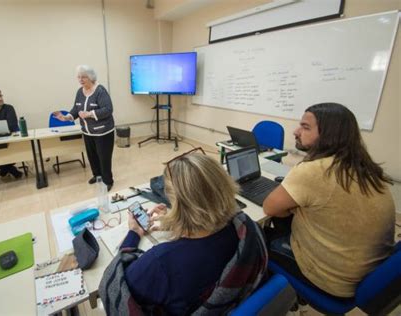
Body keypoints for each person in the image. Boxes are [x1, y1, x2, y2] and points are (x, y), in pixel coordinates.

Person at [99, 150, 267, 315]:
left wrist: (134, 233)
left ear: (177, 203)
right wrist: (179, 223)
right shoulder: (247, 228)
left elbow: (113, 288)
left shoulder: (160, 263)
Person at [263, 103, 395, 298]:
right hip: (365, 273)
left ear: (329, 135)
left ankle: (266, 296)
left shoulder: (315, 170)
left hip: (331, 280)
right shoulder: (365, 168)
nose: (296, 131)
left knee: (255, 234)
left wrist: (290, 209)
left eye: (305, 127)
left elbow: (269, 207)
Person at [54, 65, 115, 191]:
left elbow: (108, 110)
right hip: (87, 132)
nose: (81, 80)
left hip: (103, 132)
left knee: (104, 158)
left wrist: (89, 114)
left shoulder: (100, 90)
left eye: (84, 77)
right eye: (79, 77)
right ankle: (97, 175)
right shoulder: (80, 91)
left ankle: (108, 181)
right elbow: (76, 108)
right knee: (92, 156)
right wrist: (67, 117)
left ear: (91, 77)